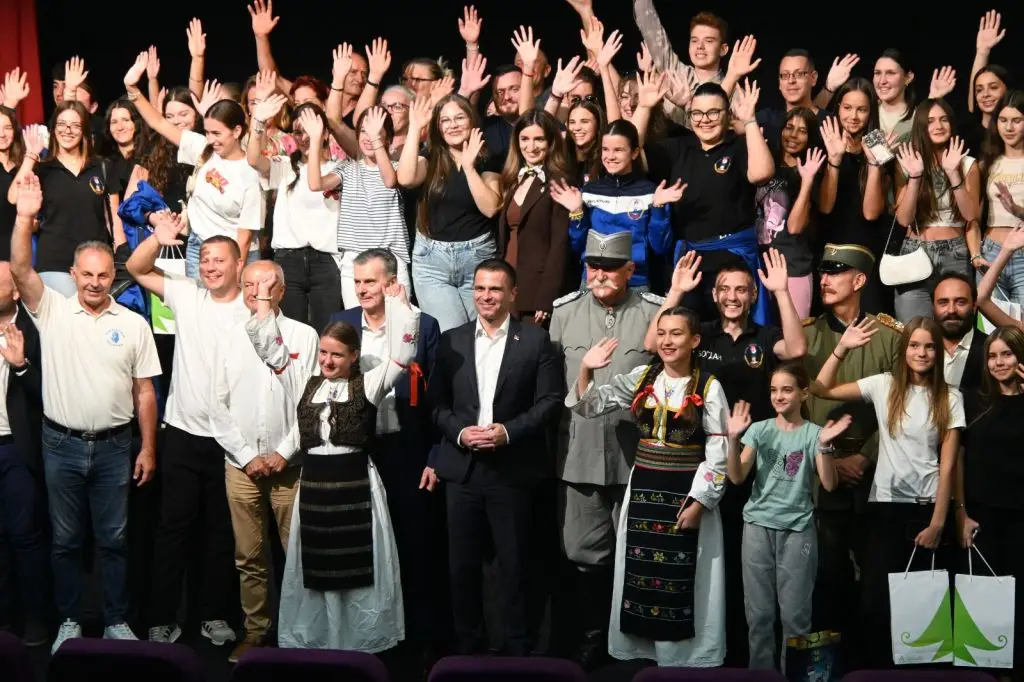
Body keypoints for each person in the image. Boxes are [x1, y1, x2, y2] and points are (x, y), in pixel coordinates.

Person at [10, 172, 161, 653]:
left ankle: (116, 620)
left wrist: (149, 449)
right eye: (87, 274)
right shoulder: (52, 311)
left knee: (115, 540)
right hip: (60, 444)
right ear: (73, 275)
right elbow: (20, 269)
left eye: (103, 275)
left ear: (112, 276)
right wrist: (24, 217)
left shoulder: (134, 324)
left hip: (117, 448)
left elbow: (145, 393)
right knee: (65, 542)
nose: (95, 282)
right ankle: (70, 621)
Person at [245, 264, 419, 653]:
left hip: (355, 488)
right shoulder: (305, 383)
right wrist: (264, 299)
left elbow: (403, 353)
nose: (326, 360)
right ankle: (321, 645)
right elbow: (270, 348)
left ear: (354, 356)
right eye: (323, 352)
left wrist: (399, 306)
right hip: (315, 491)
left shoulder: (368, 384)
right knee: (317, 569)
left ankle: (358, 647)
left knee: (358, 572)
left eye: (336, 355)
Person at [568, 307, 729, 667]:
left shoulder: (708, 386)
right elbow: (591, 406)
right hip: (643, 491)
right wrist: (586, 369)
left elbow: (719, 450)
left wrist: (700, 502)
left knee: (682, 574)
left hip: (685, 492)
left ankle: (683, 660)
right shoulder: (644, 377)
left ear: (695, 340)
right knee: (641, 570)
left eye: (676, 333)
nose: (667, 341)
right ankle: (644, 657)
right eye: (662, 333)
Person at [811, 316, 964, 669]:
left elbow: (948, 466)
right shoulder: (884, 385)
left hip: (926, 510)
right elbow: (820, 388)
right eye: (914, 345)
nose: (921, 353)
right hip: (884, 509)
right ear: (903, 349)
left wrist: (938, 522)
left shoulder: (951, 397)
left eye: (929, 346)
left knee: (925, 609)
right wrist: (842, 348)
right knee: (876, 605)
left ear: (937, 352)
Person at [429, 259, 562, 655]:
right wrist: (459, 432)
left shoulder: (535, 340)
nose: (486, 296)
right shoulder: (451, 341)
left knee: (515, 565)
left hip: (512, 470)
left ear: (513, 294)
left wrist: (508, 432)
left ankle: (518, 650)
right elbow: (436, 404)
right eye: (480, 289)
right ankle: (468, 650)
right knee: (461, 568)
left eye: (495, 289)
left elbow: (550, 402)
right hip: (462, 470)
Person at [126, 224, 248, 647]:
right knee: (171, 531)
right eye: (205, 260)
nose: (210, 267)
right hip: (181, 433)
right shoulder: (187, 294)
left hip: (230, 440)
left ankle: (213, 615)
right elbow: (136, 267)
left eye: (219, 260)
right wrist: (158, 238)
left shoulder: (252, 307)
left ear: (239, 264)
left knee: (221, 532)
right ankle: (161, 618)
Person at [328, 249, 449, 663]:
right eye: (357, 282)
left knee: (414, 547)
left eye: (370, 281)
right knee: (363, 548)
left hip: (407, 452)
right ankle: (364, 639)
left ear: (392, 283)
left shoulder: (422, 324)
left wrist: (435, 454)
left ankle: (417, 642)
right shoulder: (341, 321)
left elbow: (438, 397)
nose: (362, 289)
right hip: (359, 453)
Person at [548, 230, 663, 667]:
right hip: (580, 453)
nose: (599, 273)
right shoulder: (564, 312)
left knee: (637, 552)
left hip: (634, 454)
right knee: (582, 551)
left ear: (630, 269)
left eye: (610, 267)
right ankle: (592, 638)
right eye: (593, 265)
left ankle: (632, 643)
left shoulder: (652, 312)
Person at [209, 260, 319, 662]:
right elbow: (215, 405)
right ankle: (256, 632)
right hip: (241, 468)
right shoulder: (227, 336)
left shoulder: (303, 335)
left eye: (267, 284)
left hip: (290, 467)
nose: (258, 292)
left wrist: (284, 453)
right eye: (250, 285)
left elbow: (311, 402)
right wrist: (246, 456)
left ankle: (304, 634)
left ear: (282, 291)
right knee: (249, 557)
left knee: (299, 557)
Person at [801, 244, 900, 659]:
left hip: (875, 475)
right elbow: (797, 407)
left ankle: (874, 663)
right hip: (821, 474)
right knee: (826, 580)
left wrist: (866, 455)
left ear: (859, 280)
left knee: (876, 582)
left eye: (836, 272)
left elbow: (901, 407)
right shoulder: (807, 335)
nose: (824, 280)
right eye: (823, 271)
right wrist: (829, 459)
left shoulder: (891, 336)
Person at [725, 364, 845, 670]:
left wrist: (825, 446)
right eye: (774, 390)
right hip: (758, 527)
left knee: (796, 617)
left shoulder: (813, 433)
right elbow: (737, 477)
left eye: (787, 390)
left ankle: (794, 675)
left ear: (804, 394)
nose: (778, 396)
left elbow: (829, 484)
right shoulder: (760, 430)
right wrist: (733, 440)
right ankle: (761, 676)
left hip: (797, 530)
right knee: (759, 616)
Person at [0, 262, 47, 647]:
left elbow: (50, 394)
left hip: (16, 449)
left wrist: (21, 366)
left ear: (16, 292)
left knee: (25, 536)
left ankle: (35, 620)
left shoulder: (37, 330)